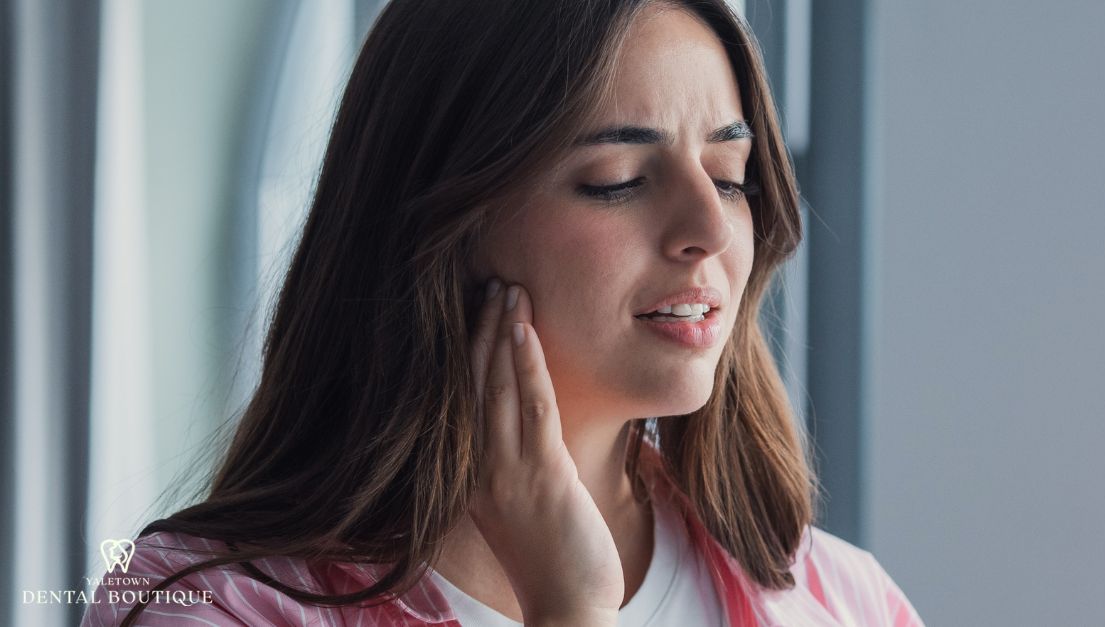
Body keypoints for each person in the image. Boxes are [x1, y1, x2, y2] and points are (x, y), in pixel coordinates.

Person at [82, 0, 925, 625]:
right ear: (453, 222)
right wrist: (569, 608)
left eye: (731, 173)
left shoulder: (844, 600)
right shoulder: (204, 604)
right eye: (619, 180)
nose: (709, 229)